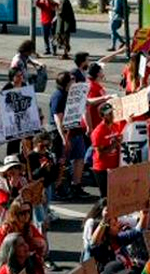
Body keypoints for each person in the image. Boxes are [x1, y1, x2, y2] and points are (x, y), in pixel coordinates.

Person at [50, 71, 91, 199]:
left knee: (79, 157)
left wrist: (87, 125)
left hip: (75, 130)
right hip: (62, 133)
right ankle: (58, 187)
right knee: (61, 161)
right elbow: (58, 118)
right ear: (67, 83)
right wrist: (63, 138)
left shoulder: (73, 93)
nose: (75, 80)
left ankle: (76, 185)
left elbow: (83, 106)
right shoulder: (59, 96)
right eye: (72, 79)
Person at [91, 103, 126, 197]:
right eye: (109, 113)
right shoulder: (98, 132)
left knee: (115, 196)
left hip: (114, 167)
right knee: (106, 198)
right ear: (103, 116)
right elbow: (100, 154)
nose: (112, 115)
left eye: (112, 112)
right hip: (102, 169)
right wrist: (115, 144)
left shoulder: (114, 126)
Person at [0, 155, 27, 230]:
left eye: (16, 168)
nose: (14, 171)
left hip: (20, 224)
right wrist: (14, 187)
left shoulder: (23, 181)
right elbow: (8, 207)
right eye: (10, 168)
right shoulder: (0, 186)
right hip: (3, 226)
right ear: (6, 172)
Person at [86, 63, 115, 133]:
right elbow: (88, 105)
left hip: (98, 120)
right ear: (98, 73)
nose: (103, 72)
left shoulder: (94, 84)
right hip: (95, 122)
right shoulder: (92, 87)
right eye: (101, 71)